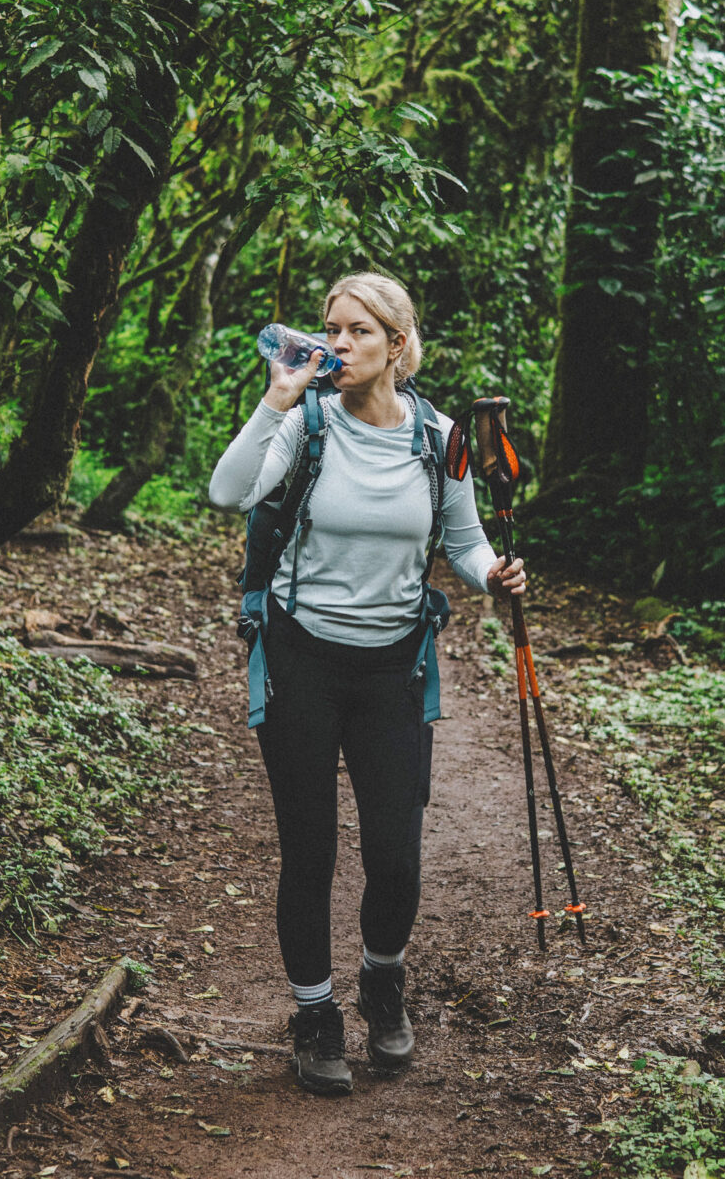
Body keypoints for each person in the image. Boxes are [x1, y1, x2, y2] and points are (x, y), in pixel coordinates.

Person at [208, 272, 525, 1095]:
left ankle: (383, 980)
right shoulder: (306, 423)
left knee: (396, 858)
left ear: (397, 345)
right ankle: (316, 1016)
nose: (338, 344)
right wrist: (277, 399)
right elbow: (227, 492)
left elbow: (464, 541)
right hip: (301, 662)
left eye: (358, 331)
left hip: (393, 668)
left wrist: (494, 575)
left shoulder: (439, 438)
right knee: (308, 851)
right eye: (331, 329)